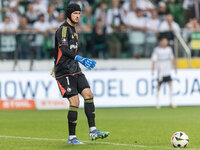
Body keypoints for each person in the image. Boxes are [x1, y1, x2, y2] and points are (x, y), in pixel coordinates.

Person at [51, 3, 109, 144]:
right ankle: (72, 137)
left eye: (79, 13)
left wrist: (78, 60)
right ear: (69, 14)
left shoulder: (74, 30)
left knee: (89, 95)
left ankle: (93, 130)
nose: (78, 16)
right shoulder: (63, 29)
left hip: (75, 69)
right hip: (64, 71)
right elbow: (64, 50)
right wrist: (80, 58)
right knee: (75, 101)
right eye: (75, 13)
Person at [151, 37, 177, 109]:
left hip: (168, 71)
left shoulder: (169, 49)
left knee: (171, 86)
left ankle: (171, 102)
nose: (165, 43)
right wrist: (152, 70)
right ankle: (158, 103)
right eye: (163, 41)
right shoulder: (157, 50)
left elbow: (172, 59)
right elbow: (154, 60)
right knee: (159, 87)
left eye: (166, 41)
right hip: (160, 72)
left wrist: (175, 67)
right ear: (161, 42)